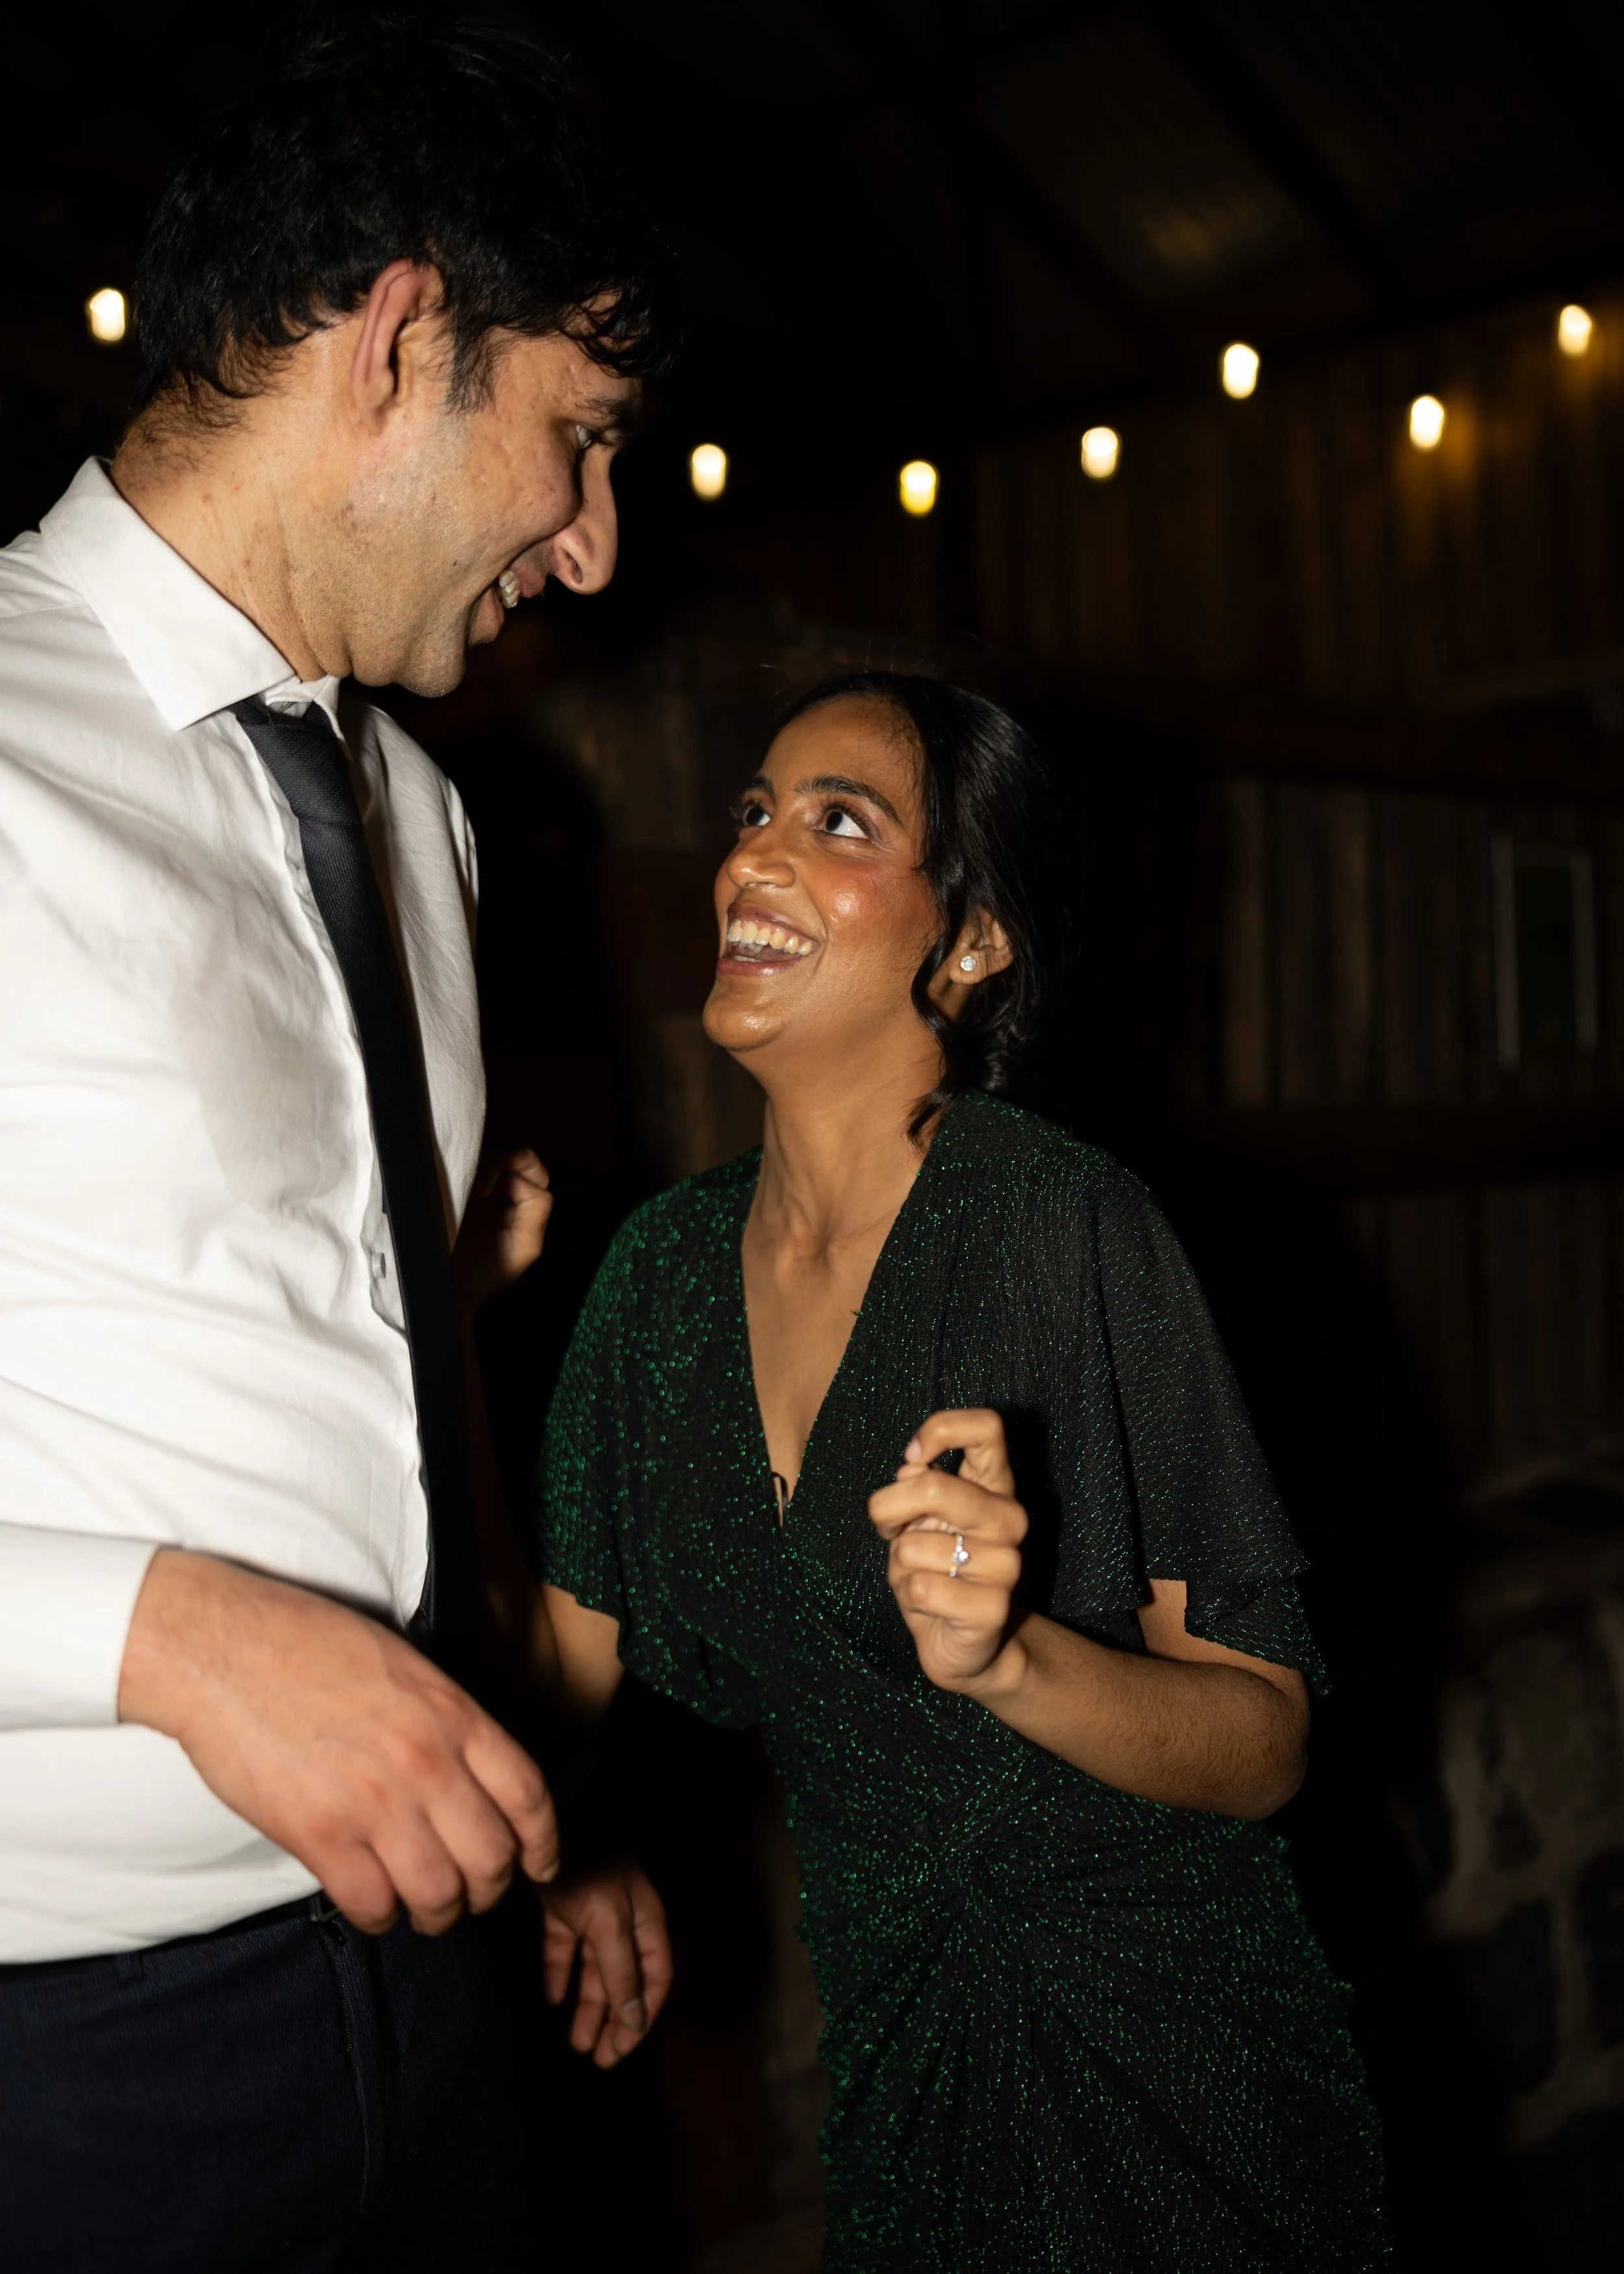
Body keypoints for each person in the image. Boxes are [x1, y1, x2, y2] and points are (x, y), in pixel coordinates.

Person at [0, 17, 672, 2269]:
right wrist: (174, 1639)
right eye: (575, 446)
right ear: (398, 342)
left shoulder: (422, 815)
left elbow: (387, 1380)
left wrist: (518, 1787)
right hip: (65, 2053)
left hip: (430, 1955)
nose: (590, 554)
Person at [535, 673, 1391, 2270]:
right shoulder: (655, 1280)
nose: (754, 859)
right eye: (750, 815)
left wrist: (1007, 1660)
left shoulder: (1060, 1226)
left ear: (971, 941)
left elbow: (1265, 1732)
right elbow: (550, 1682)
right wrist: (432, 1321)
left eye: (836, 821)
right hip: (902, 2075)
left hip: (1173, 2070)